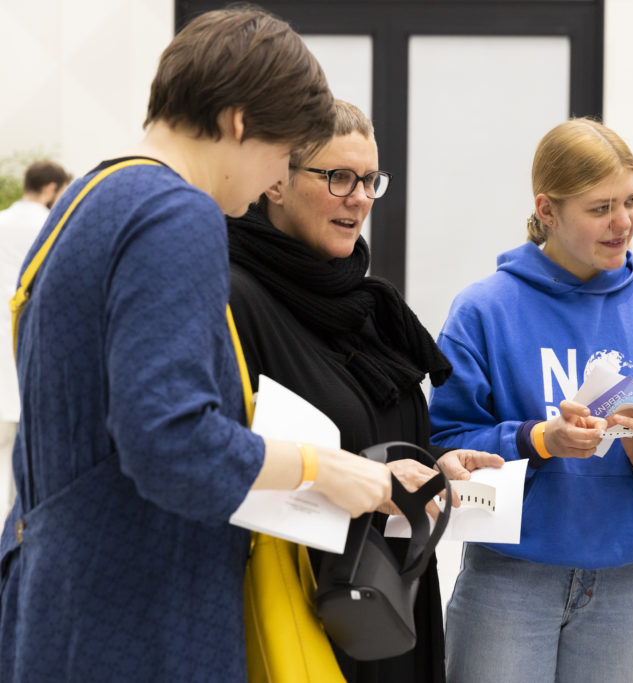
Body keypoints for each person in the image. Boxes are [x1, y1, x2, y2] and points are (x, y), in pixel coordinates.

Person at [0, 8, 397, 682]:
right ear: (240, 122)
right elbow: (169, 442)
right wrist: (319, 467)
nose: (276, 179)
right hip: (133, 612)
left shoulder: (91, 196)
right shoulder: (176, 213)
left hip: (62, 594)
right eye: (282, 153)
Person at [429, 117, 633, 683]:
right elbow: (445, 446)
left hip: (627, 587)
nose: (624, 222)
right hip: (509, 581)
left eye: (632, 200)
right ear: (547, 209)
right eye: (600, 207)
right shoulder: (483, 311)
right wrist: (539, 440)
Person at [227, 99, 503, 682]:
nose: (359, 197)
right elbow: (229, 461)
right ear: (276, 182)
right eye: (338, 178)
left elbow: (379, 436)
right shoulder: (235, 297)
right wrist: (361, 478)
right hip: (307, 609)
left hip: (388, 598)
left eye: (369, 180)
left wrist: (433, 468)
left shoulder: (369, 303)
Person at [0, 160, 72, 519]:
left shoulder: (1, 220)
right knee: (20, 443)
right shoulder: (49, 226)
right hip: (22, 337)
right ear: (51, 190)